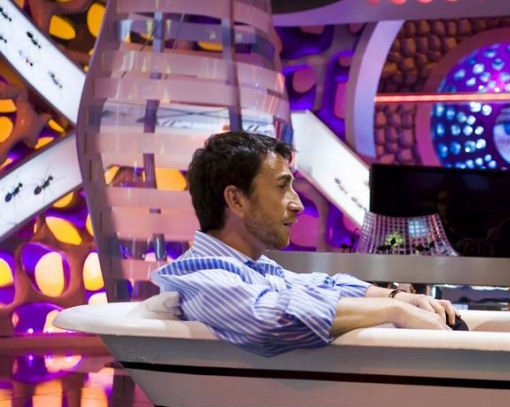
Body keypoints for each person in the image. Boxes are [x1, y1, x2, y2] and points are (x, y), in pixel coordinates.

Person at [151, 131, 458, 357]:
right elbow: (272, 317)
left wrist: (399, 298)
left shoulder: (255, 268)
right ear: (236, 200)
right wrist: (394, 311)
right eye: (282, 187)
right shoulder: (200, 277)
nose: (298, 205)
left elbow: (325, 285)